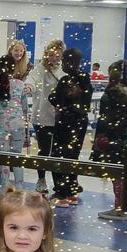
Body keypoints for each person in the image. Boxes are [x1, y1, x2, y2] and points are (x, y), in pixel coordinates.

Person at [90, 60, 127, 221]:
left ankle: (120, 206)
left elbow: (105, 120)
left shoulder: (112, 93)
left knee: (116, 173)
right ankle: (126, 205)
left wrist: (99, 140)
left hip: (115, 138)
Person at [49, 48, 92, 205]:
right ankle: (71, 191)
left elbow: (54, 98)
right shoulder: (83, 79)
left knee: (60, 155)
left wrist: (63, 104)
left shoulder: (68, 80)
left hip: (67, 123)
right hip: (79, 123)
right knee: (72, 155)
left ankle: (62, 193)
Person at [25, 39, 64, 195]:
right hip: (42, 116)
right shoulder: (40, 68)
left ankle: (58, 184)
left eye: (58, 54)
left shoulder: (64, 69)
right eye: (52, 54)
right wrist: (28, 86)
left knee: (57, 152)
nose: (55, 57)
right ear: (47, 54)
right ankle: (41, 180)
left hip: (59, 117)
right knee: (44, 151)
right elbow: (32, 79)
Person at [0, 54, 28, 193]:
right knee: (17, 156)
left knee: (3, 157)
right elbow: (24, 107)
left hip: (1, 126)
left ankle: (5, 188)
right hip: (18, 124)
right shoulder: (20, 84)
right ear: (14, 68)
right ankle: (19, 187)